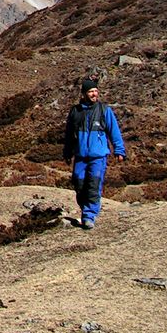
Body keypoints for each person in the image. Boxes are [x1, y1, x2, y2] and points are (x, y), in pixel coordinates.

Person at [63, 78, 126, 229]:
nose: (94, 94)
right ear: (84, 94)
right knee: (79, 183)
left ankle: (89, 216)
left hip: (98, 156)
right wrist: (67, 152)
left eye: (96, 91)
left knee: (93, 184)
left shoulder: (104, 110)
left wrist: (119, 150)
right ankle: (85, 210)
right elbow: (69, 134)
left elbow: (114, 131)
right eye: (91, 91)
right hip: (80, 156)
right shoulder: (75, 111)